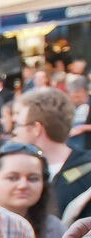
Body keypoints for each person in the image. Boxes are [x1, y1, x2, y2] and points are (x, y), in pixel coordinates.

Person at [12, 87, 91, 223]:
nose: (15, 132)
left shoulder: (86, 171)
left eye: (18, 125)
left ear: (37, 128)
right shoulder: (17, 171)